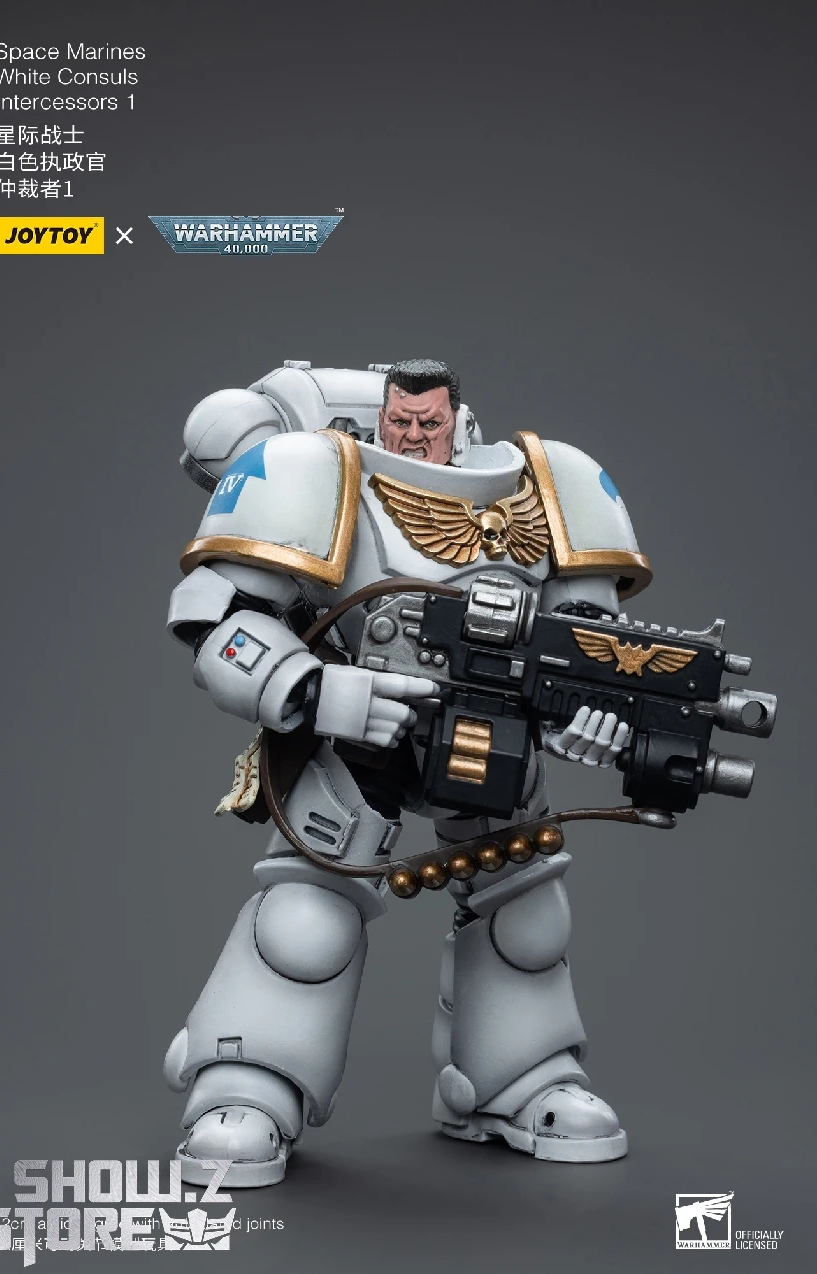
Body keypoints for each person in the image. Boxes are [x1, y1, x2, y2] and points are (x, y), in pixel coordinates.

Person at [164, 358, 651, 1186]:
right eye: (401, 421)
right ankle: (248, 1081)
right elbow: (219, 620)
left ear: (457, 419)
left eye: (431, 422)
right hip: (366, 736)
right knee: (307, 922)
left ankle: (518, 1078)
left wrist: (592, 714)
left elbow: (592, 644)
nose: (415, 434)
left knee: (526, 916)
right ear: (380, 416)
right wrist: (314, 689)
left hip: (500, 738)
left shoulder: (548, 485)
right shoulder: (321, 471)